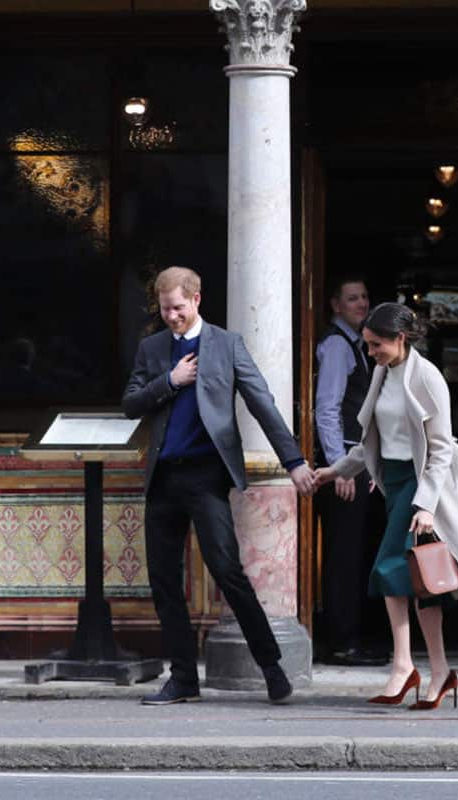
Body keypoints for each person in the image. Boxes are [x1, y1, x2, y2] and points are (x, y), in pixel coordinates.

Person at [314, 302, 458, 710]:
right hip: (395, 483)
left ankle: (403, 666)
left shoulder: (428, 377)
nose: (370, 352)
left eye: (377, 344)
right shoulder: (384, 371)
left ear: (400, 339)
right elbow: (373, 443)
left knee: (390, 569)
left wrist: (426, 506)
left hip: (419, 485)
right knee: (419, 581)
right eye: (367, 345)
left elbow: (440, 449)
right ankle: (439, 669)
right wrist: (335, 471)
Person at [122, 266, 317, 706]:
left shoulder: (226, 345)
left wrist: (294, 461)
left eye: (178, 307)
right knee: (164, 581)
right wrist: (169, 382)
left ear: (196, 299)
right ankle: (184, 679)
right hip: (163, 478)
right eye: (165, 308)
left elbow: (261, 402)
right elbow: (131, 404)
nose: (171, 316)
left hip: (206, 475)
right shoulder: (152, 349)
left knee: (228, 570)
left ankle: (272, 667)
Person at [314, 275, 386, 667]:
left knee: (354, 552)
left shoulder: (358, 344)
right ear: (335, 305)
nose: (361, 304)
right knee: (343, 555)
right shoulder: (337, 346)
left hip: (357, 462)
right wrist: (337, 469)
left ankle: (350, 637)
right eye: (352, 298)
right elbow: (326, 408)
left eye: (364, 297)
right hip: (343, 465)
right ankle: (341, 643)